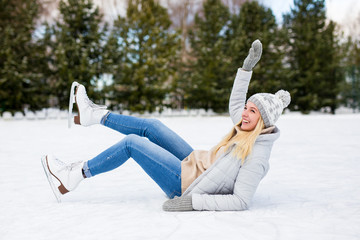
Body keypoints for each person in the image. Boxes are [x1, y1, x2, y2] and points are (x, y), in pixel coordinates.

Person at [41, 39, 290, 211]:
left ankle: (75, 175)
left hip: (186, 184)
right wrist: (246, 69)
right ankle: (94, 116)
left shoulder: (257, 156)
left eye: (252, 111)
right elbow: (236, 102)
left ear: (264, 122)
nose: (244, 114)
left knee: (132, 144)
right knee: (153, 127)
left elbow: (240, 201)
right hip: (195, 163)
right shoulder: (247, 127)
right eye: (247, 107)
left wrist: (191, 203)